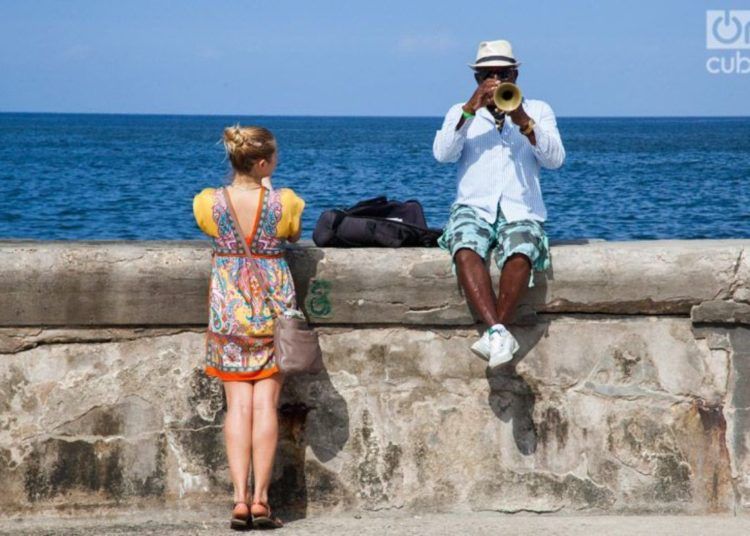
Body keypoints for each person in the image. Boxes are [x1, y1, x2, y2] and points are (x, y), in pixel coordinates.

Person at [192, 125, 304, 530]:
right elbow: (291, 231)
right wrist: (269, 189)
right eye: (272, 159)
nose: (276, 163)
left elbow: (210, 227)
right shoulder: (285, 202)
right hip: (272, 314)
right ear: (262, 163)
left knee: (238, 407)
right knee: (265, 408)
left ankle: (239, 499)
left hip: (228, 314)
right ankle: (262, 500)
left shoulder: (209, 201)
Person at [433, 39, 565, 368]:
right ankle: (499, 333)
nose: (493, 81)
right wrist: (468, 109)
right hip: (473, 207)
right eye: (485, 76)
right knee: (464, 247)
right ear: (476, 78)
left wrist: (524, 121)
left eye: (501, 74)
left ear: (515, 75)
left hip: (521, 208)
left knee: (522, 252)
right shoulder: (459, 111)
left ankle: (494, 332)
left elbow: (555, 160)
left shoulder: (539, 110)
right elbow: (442, 154)